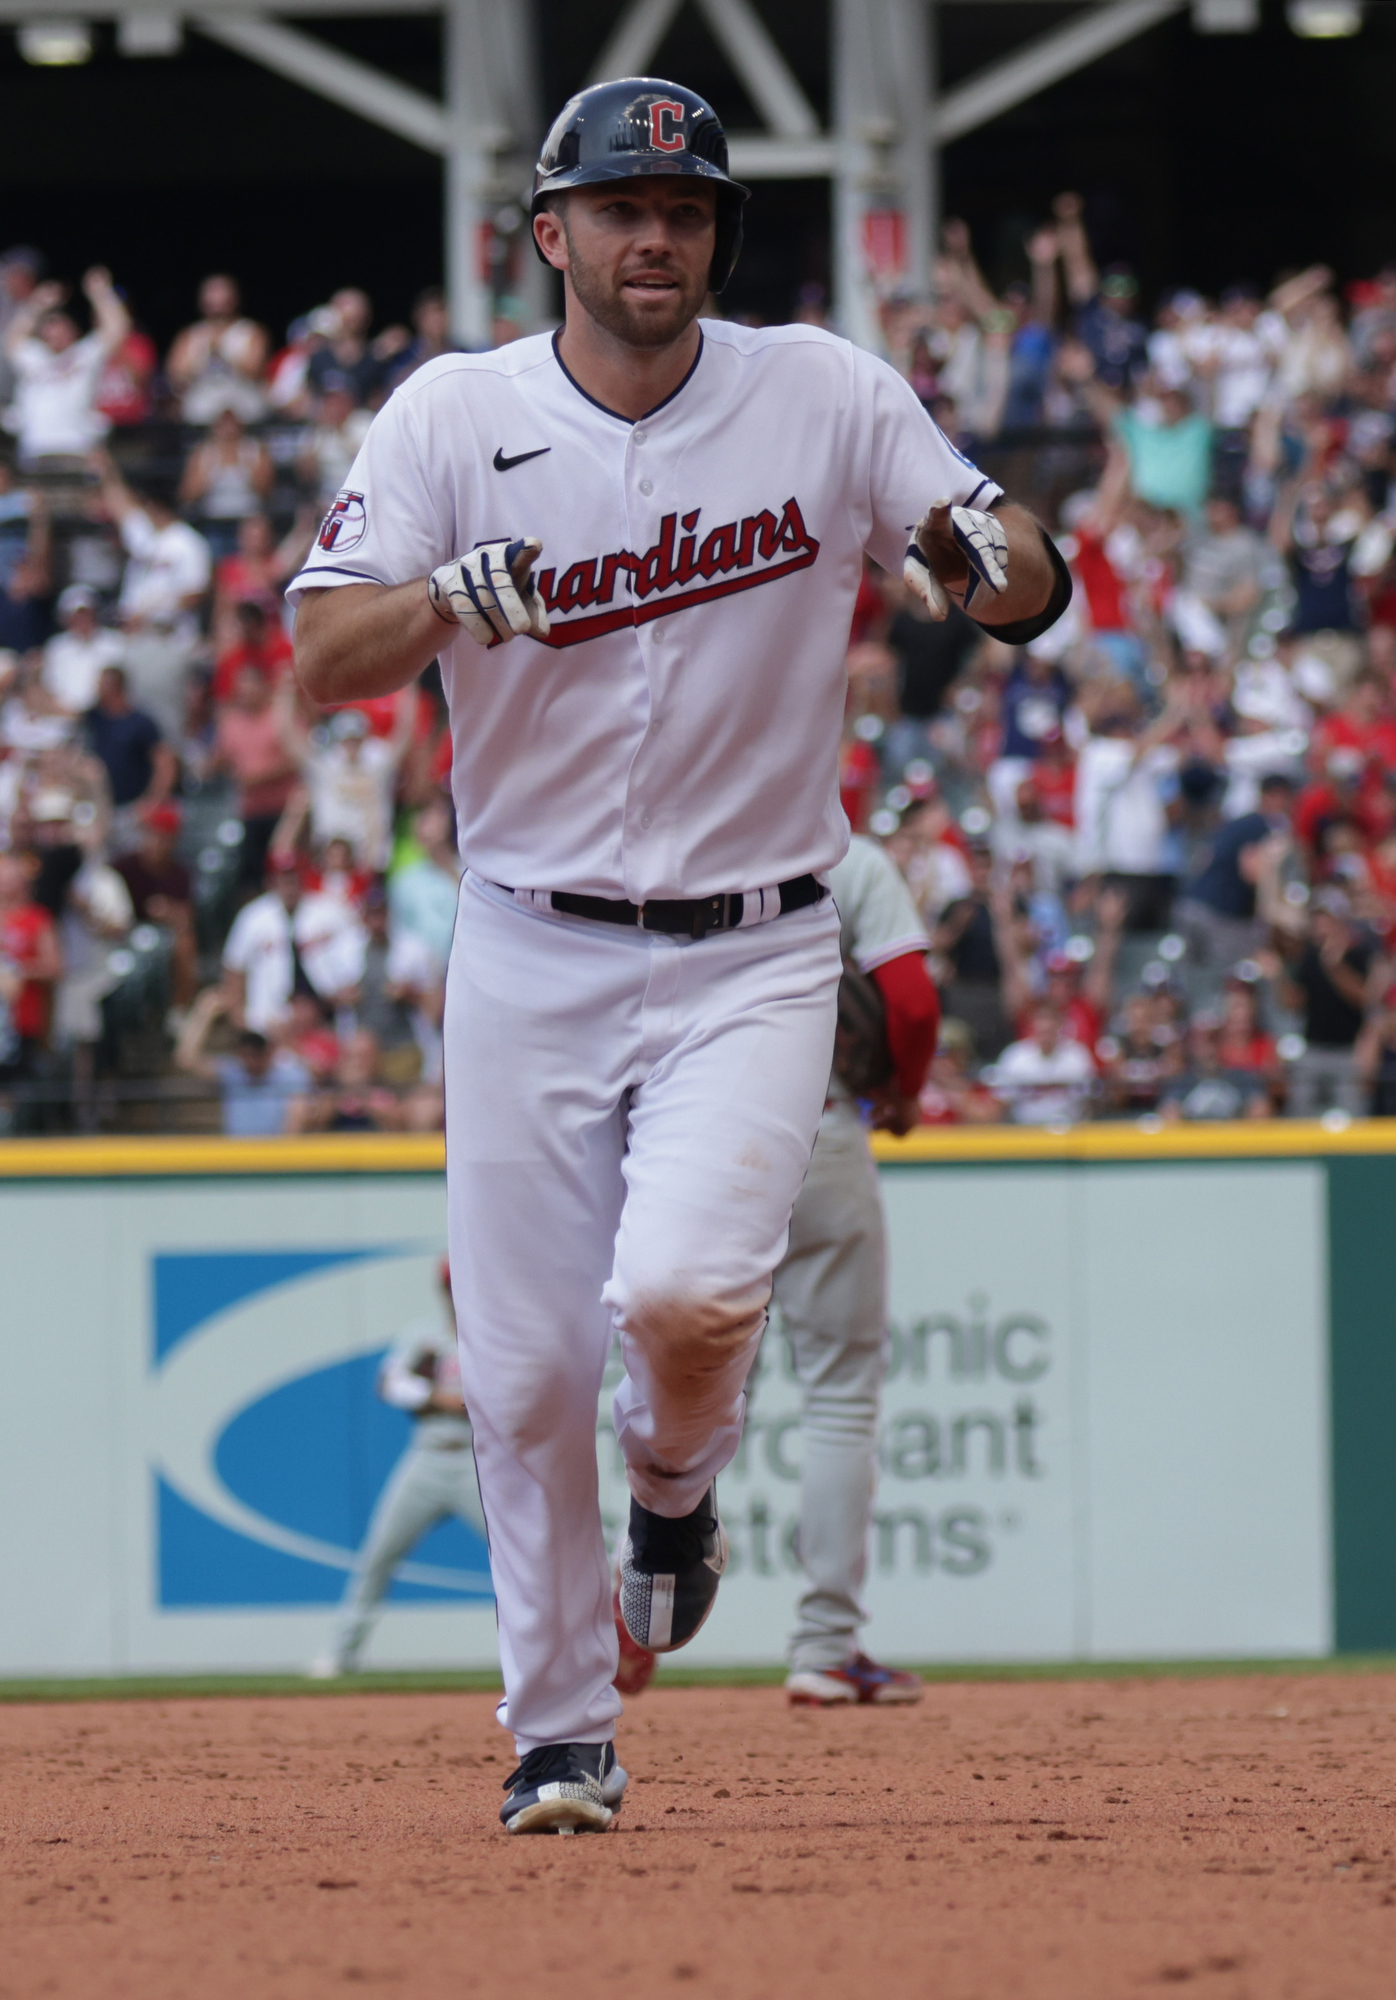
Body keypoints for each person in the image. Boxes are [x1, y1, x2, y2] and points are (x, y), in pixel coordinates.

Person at [289, 76, 1062, 1837]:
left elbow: (1022, 576)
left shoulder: (824, 392)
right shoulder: (450, 414)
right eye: (625, 209)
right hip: (528, 943)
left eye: (689, 210)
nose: (659, 236)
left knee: (687, 1304)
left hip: (756, 947)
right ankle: (560, 1731)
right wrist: (447, 605)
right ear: (550, 231)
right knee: (528, 1367)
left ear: (719, 233)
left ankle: (676, 1491)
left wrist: (984, 554)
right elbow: (327, 659)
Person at [771, 835, 939, 1706]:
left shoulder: (676, 830)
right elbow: (909, 1004)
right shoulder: (846, 854)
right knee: (838, 1394)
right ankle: (825, 1646)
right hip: (820, 1122)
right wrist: (904, 1092)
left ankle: (624, 1605)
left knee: (669, 1383)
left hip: (685, 1141)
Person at [310, 1262, 488, 1677]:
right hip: (427, 1456)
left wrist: (447, 1398)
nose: (454, 1292)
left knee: (515, 1562)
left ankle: (541, 1660)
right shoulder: (425, 1337)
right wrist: (438, 1397)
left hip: (478, 1462)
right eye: (450, 1285)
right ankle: (340, 1655)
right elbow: (390, 1383)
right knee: (378, 1556)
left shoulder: (491, 1336)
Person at [2, 267, 130, 466]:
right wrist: (36, 305)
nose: (54, 332)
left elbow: (117, 329)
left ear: (73, 328)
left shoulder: (84, 354)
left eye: (60, 325)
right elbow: (12, 340)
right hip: (35, 449)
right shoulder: (35, 356)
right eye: (49, 326)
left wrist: (100, 293)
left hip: (77, 448)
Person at [174, 984, 310, 1135]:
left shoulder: (290, 1075)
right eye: (246, 1053)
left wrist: (280, 1156)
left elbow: (296, 1119)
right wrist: (204, 1012)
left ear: (269, 1051)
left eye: (257, 1052)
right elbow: (186, 1059)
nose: (251, 1060)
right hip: (237, 1155)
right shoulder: (233, 1072)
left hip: (275, 1154)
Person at [166, 274, 268, 426]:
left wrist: (224, 354)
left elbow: (255, 370)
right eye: (211, 294)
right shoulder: (191, 335)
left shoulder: (250, 332)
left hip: (241, 404)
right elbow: (176, 374)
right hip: (202, 405)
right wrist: (201, 360)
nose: (217, 302)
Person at [83, 665, 175, 822]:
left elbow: (165, 763)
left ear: (115, 687)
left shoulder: (140, 722)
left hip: (132, 809)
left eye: (102, 684)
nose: (97, 689)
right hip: (97, 808)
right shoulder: (92, 718)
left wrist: (153, 801)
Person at [989, 1002, 1096, 1124]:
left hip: (1069, 1131)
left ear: (1060, 1024)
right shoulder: (1015, 1056)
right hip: (1024, 1133)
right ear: (1033, 1025)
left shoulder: (1078, 1056)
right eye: (1041, 1023)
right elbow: (1002, 1103)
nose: (1046, 1028)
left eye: (1050, 1024)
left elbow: (1089, 1104)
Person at [42, 585, 125, 717]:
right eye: (76, 615)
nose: (82, 619)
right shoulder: (57, 647)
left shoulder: (114, 643)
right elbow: (48, 688)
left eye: (86, 613)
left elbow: (116, 686)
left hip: (102, 716)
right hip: (61, 716)